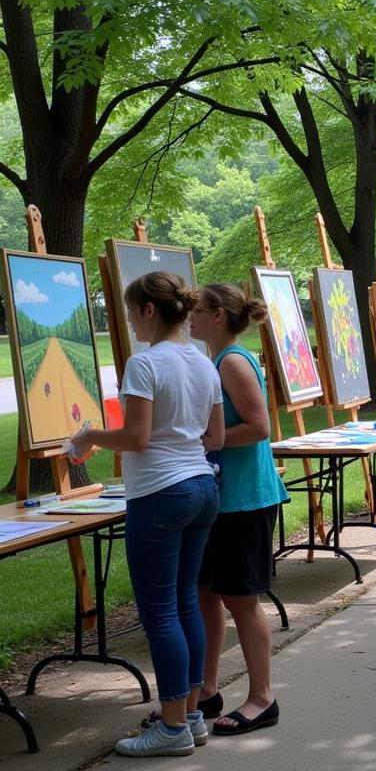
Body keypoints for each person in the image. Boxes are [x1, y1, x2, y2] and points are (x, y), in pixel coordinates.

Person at [69, 272, 223, 757]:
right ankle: (192, 715)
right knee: (183, 604)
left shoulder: (144, 363)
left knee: (160, 612)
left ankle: (173, 727)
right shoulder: (203, 362)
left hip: (160, 494)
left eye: (132, 311)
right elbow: (213, 436)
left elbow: (136, 438)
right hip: (201, 486)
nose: (131, 321)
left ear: (149, 311)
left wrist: (90, 435)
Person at [189, 283, 288, 737]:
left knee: (242, 601)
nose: (191, 316)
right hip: (222, 498)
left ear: (220, 315)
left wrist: (207, 440)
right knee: (207, 593)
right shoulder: (217, 359)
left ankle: (262, 698)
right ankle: (207, 690)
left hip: (245, 500)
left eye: (199, 309)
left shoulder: (231, 360)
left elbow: (260, 426)